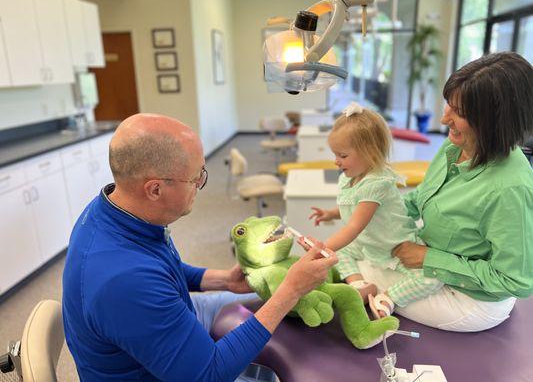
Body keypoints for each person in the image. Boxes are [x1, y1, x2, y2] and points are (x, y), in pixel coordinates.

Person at [62, 113, 338, 382]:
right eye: (196, 179)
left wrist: (224, 280)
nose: (200, 185)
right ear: (154, 189)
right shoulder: (124, 280)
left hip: (167, 316)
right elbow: (210, 374)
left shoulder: (110, 209)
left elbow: (161, 269)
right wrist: (290, 291)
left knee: (263, 306)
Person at [335, 52, 533, 332]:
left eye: (459, 112)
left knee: (360, 268)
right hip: (433, 262)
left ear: (494, 121)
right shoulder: (455, 147)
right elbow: (418, 199)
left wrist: (431, 259)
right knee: (357, 248)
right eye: (448, 106)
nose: (443, 119)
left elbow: (515, 281)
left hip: (469, 300)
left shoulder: (510, 189)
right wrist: (376, 211)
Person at [302, 102, 443, 319]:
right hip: (371, 244)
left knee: (433, 278)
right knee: (343, 252)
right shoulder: (349, 178)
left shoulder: (377, 183)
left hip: (395, 248)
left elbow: (355, 226)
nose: (336, 161)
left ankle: (390, 297)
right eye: (336, 154)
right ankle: (359, 284)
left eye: (343, 155)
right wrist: (331, 213)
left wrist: (322, 249)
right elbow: (353, 209)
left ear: (370, 152)